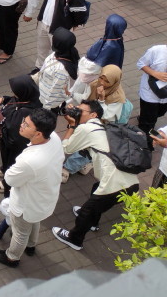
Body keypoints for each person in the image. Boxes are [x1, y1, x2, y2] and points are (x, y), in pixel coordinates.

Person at [52, 100, 139, 251]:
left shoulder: (87, 128)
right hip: (130, 181)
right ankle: (93, 222)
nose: (77, 112)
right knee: (96, 188)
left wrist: (72, 126)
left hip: (115, 184)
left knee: (87, 210)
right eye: (77, 109)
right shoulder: (103, 126)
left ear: (93, 114)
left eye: (81, 111)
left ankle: (75, 239)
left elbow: (65, 148)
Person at [0, 109, 63, 267]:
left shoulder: (30, 160)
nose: (21, 125)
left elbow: (9, 179)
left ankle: (12, 257)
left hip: (25, 204)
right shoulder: (54, 138)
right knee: (34, 221)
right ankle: (31, 246)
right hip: (45, 199)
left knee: (20, 232)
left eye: (26, 125)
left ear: (38, 134)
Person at [0, 75, 43, 196]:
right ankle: (4, 168)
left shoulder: (25, 113)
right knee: (7, 160)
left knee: (12, 164)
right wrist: (4, 100)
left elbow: (10, 128)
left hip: (15, 146)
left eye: (15, 91)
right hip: (10, 143)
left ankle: (6, 184)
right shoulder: (30, 97)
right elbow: (14, 101)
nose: (13, 93)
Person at [34, 0, 86, 72]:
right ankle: (38, 69)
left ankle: (51, 73)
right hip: (43, 23)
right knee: (41, 49)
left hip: (58, 30)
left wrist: (71, 26)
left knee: (56, 55)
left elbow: (80, 15)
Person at [36, 28, 79, 112]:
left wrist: (46, 109)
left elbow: (54, 91)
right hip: (43, 93)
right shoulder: (58, 54)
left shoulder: (61, 70)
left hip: (49, 104)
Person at [137, 44, 167, 150]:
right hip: (149, 94)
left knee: (159, 113)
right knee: (148, 123)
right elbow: (141, 63)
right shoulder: (156, 50)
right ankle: (146, 144)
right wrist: (155, 73)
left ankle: (145, 122)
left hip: (165, 95)